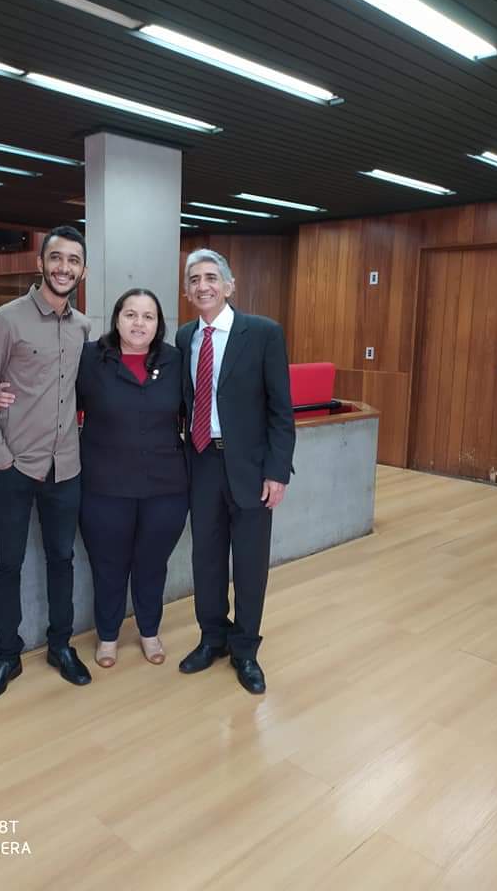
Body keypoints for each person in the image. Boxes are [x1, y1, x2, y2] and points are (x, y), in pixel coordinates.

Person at [0, 289, 188, 668]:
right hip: (105, 484)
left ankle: (150, 631)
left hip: (165, 485)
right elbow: (54, 397)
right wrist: (4, 391)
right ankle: (109, 635)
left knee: (152, 563)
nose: (138, 323)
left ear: (158, 324)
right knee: (107, 564)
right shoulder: (90, 358)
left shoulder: (176, 361)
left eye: (147, 316)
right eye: (130, 314)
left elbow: (198, 406)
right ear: (116, 319)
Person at [0, 225, 92, 705]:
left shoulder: (83, 327)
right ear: (41, 263)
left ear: (83, 269)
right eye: (56, 259)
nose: (64, 268)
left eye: (74, 261)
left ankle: (60, 645)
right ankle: (6, 655)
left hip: (67, 469)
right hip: (16, 468)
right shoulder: (7, 319)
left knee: (62, 560)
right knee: (8, 565)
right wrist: (2, 457)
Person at [176, 249, 295, 695]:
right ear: (187, 291)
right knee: (205, 557)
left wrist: (277, 471)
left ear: (229, 286)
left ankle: (245, 649)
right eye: (194, 279)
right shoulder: (184, 336)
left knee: (248, 563)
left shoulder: (263, 334)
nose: (202, 285)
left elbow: (281, 411)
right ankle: (213, 638)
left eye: (211, 277)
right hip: (201, 463)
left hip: (250, 468)